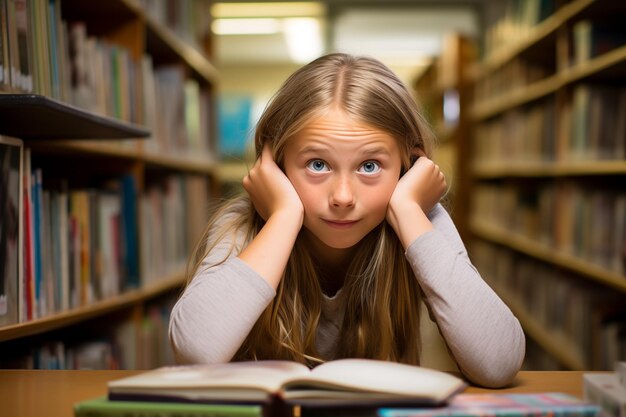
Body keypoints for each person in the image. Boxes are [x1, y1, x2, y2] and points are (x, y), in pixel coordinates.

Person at [169, 53, 525, 388]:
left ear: (408, 167)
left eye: (370, 166)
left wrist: (408, 212)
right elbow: (195, 351)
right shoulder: (241, 226)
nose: (342, 196)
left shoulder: (418, 219)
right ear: (274, 165)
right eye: (317, 165)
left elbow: (499, 362)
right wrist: (284, 217)